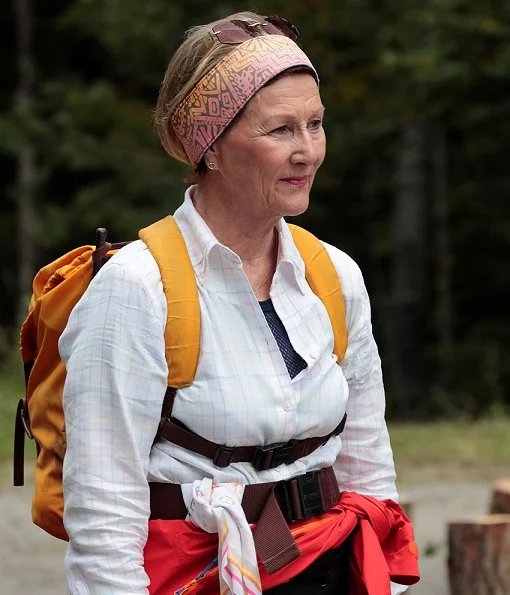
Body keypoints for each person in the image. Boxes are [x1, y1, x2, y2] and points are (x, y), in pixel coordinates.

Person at [59, 10, 419, 595]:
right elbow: (103, 510)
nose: (308, 151)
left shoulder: (334, 275)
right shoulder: (136, 289)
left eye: (316, 125)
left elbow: (368, 465)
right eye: (280, 130)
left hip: (327, 565)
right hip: (198, 577)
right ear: (213, 149)